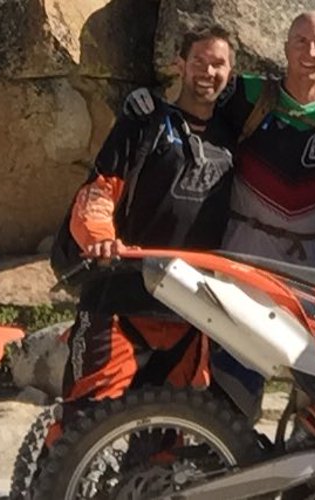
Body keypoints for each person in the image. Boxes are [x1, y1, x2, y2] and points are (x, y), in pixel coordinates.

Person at [62, 25, 238, 408]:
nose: (208, 72)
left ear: (231, 72)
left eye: (218, 64)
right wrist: (100, 240)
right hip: (119, 296)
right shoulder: (145, 123)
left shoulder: (234, 135)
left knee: (169, 431)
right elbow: (98, 191)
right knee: (84, 424)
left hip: (189, 309)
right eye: (199, 61)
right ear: (179, 64)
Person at [127, 11, 315, 270]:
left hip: (312, 260)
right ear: (286, 47)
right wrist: (148, 106)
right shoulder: (246, 94)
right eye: (301, 41)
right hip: (242, 248)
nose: (310, 52)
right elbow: (193, 108)